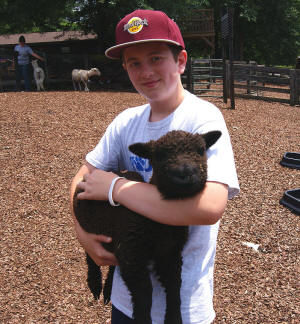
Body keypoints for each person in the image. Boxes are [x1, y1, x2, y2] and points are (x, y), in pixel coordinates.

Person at [70, 9, 240, 324]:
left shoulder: (202, 118)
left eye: (156, 58)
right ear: (125, 68)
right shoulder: (126, 123)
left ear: (180, 60)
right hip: (128, 297)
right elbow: (82, 177)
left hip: (183, 306)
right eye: (134, 63)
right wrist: (82, 233)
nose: (146, 70)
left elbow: (209, 207)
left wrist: (116, 188)